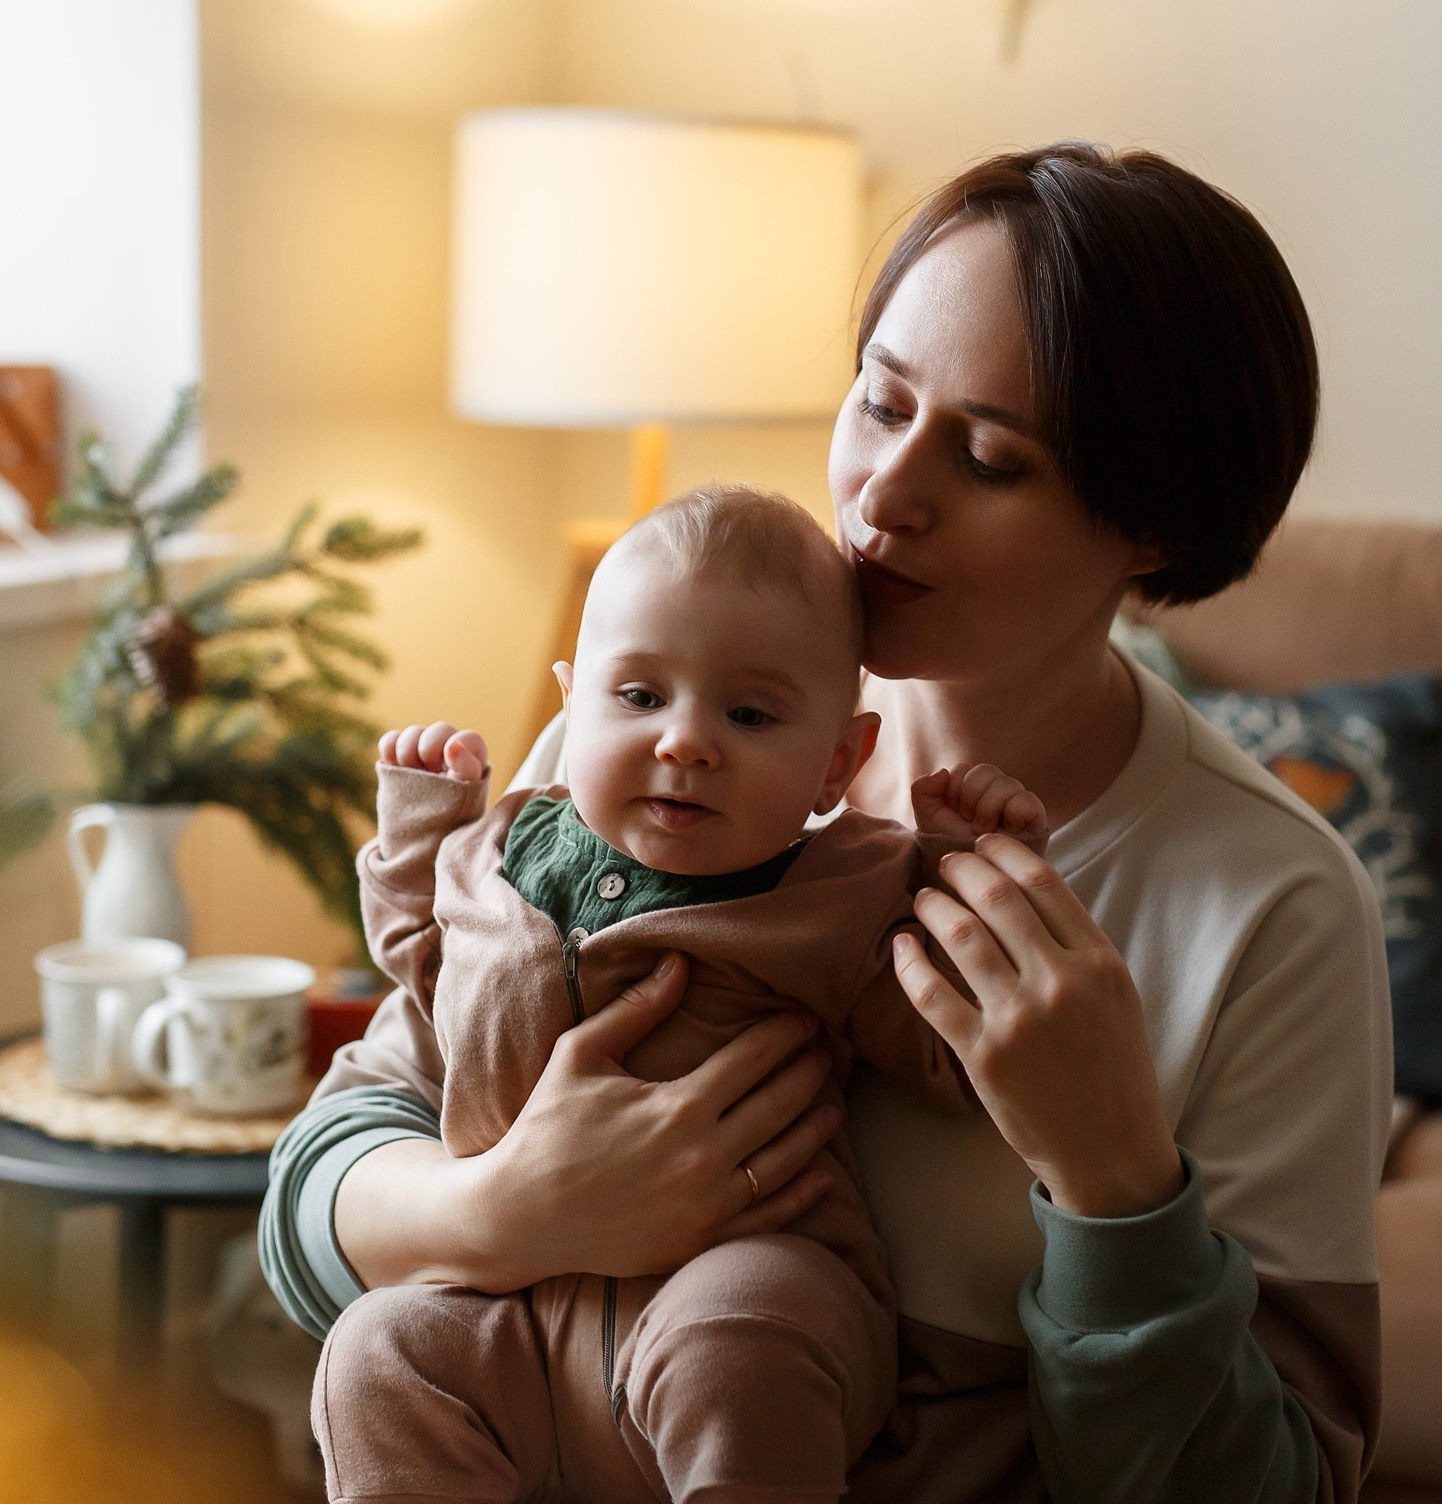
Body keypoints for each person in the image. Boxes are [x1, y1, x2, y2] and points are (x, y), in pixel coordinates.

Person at [262, 140, 1392, 1502]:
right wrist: (501, 1210)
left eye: (987, 458)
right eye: (880, 400)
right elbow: (314, 1195)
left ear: (1152, 527)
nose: (881, 495)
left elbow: (1287, 1484)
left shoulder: (1270, 905)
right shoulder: (645, 738)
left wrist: (1113, 1181)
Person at [318, 485, 1046, 1503]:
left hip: (742, 1275)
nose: (686, 742)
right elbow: (424, 966)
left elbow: (951, 1052)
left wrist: (968, 868)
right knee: (378, 1347)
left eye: (749, 714)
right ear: (571, 703)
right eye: (639, 696)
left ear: (838, 762)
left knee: (740, 1343)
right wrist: (418, 829)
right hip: (508, 1306)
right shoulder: (499, 845)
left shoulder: (843, 890)